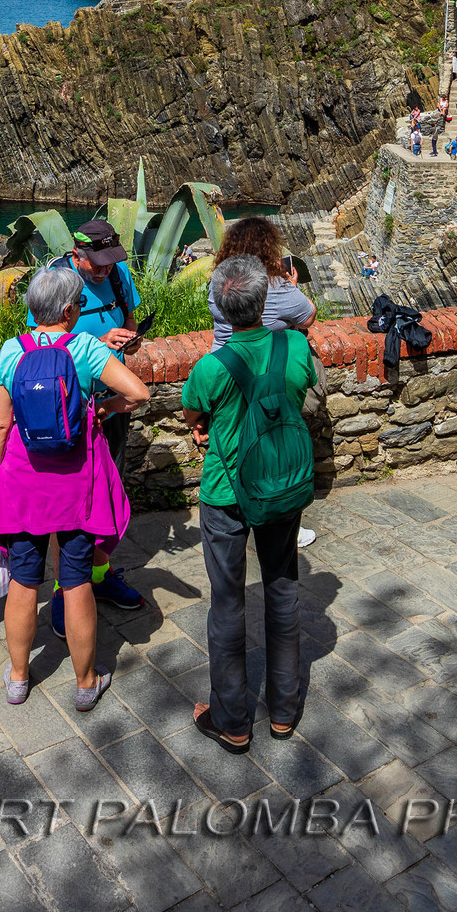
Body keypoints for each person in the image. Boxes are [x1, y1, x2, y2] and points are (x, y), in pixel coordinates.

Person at [0, 266, 151, 710]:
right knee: (74, 581)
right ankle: (85, 682)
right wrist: (99, 410)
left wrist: (3, 474)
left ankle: (18, 677)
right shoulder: (85, 348)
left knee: (23, 578)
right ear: (69, 310)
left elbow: (1, 424)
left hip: (23, 476)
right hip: (76, 480)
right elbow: (139, 393)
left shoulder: (10, 352)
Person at [183, 254, 317, 750]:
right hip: (282, 482)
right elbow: (302, 388)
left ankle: (233, 719)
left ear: (221, 305)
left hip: (227, 492)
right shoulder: (295, 345)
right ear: (265, 300)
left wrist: (203, 426)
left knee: (227, 601)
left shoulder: (212, 366)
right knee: (282, 587)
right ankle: (283, 710)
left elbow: (194, 409)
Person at [47, 220, 149, 625]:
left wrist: (130, 338)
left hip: (111, 404)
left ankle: (100, 575)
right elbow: (40, 347)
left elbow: (130, 318)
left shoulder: (119, 275)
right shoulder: (56, 282)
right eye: (97, 263)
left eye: (111, 262)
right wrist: (92, 346)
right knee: (70, 503)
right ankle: (64, 590)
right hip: (69, 408)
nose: (106, 270)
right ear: (77, 255)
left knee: (109, 490)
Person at [208, 217, 320, 548]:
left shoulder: (218, 283)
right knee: (272, 449)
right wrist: (292, 284)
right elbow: (308, 316)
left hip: (226, 372)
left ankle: (235, 518)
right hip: (267, 377)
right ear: (268, 249)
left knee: (232, 447)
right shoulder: (278, 287)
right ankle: (278, 514)